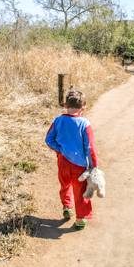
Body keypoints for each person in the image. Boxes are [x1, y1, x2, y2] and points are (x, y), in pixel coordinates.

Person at [45, 90, 98, 230]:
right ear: (83, 107)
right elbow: (90, 147)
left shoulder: (58, 120)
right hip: (79, 166)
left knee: (65, 185)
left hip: (63, 162)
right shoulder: (84, 124)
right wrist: (94, 166)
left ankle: (67, 206)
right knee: (80, 191)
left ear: (66, 105)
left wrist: (60, 150)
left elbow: (48, 139)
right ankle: (80, 219)